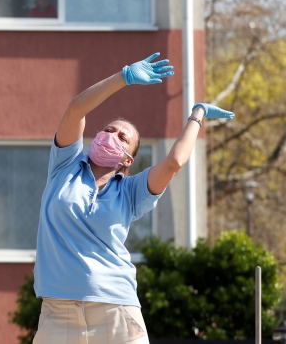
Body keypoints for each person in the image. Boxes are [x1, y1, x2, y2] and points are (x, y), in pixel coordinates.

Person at [32, 53, 234, 344]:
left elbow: (174, 162)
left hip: (116, 311)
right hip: (57, 312)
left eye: (122, 137)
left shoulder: (131, 191)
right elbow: (75, 109)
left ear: (127, 160)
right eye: (108, 130)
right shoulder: (64, 166)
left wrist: (197, 114)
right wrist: (123, 77)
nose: (111, 136)